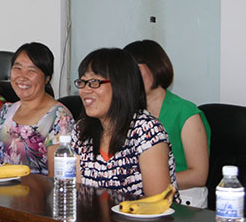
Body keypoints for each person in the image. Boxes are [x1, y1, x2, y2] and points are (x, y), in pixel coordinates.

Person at [72, 47, 179, 200]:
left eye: (94, 82)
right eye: (82, 82)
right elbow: (75, 193)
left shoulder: (146, 130)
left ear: (120, 85)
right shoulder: (81, 129)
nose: (85, 90)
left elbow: (158, 204)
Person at [0, 42, 74, 177]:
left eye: (31, 70)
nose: (22, 77)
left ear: (47, 78)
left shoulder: (59, 118)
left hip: (38, 190)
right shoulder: (6, 111)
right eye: (17, 68)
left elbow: (58, 178)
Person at [124, 39, 210, 207]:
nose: (129, 78)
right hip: (136, 195)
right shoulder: (126, 111)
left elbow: (198, 176)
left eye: (135, 70)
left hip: (183, 197)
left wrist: (146, 180)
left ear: (155, 67)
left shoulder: (185, 113)